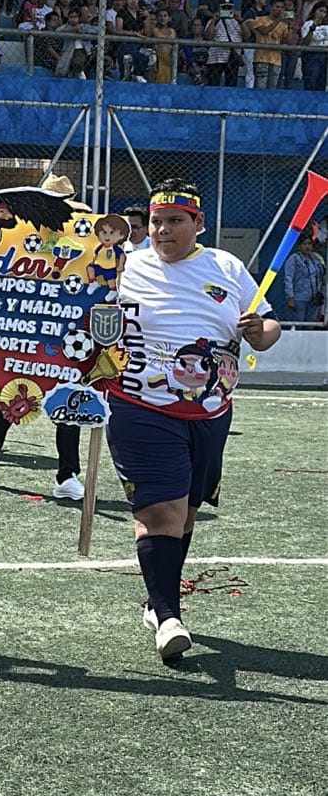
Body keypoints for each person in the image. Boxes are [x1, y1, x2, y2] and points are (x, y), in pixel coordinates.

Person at [105, 180, 280, 664]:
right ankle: (168, 617)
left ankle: (156, 601)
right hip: (138, 406)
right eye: (156, 221)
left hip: (211, 412)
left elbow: (268, 327)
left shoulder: (227, 267)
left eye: (175, 221)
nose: (163, 230)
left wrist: (259, 330)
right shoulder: (124, 266)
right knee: (160, 511)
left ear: (198, 223)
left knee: (185, 512)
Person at [284, 233, 324, 322]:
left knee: (311, 323)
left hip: (313, 298)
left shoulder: (314, 259)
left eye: (309, 244)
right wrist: (290, 297)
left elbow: (319, 276)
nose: (307, 246)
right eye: (304, 244)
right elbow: (288, 278)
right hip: (298, 298)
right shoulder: (294, 259)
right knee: (298, 322)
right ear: (299, 246)